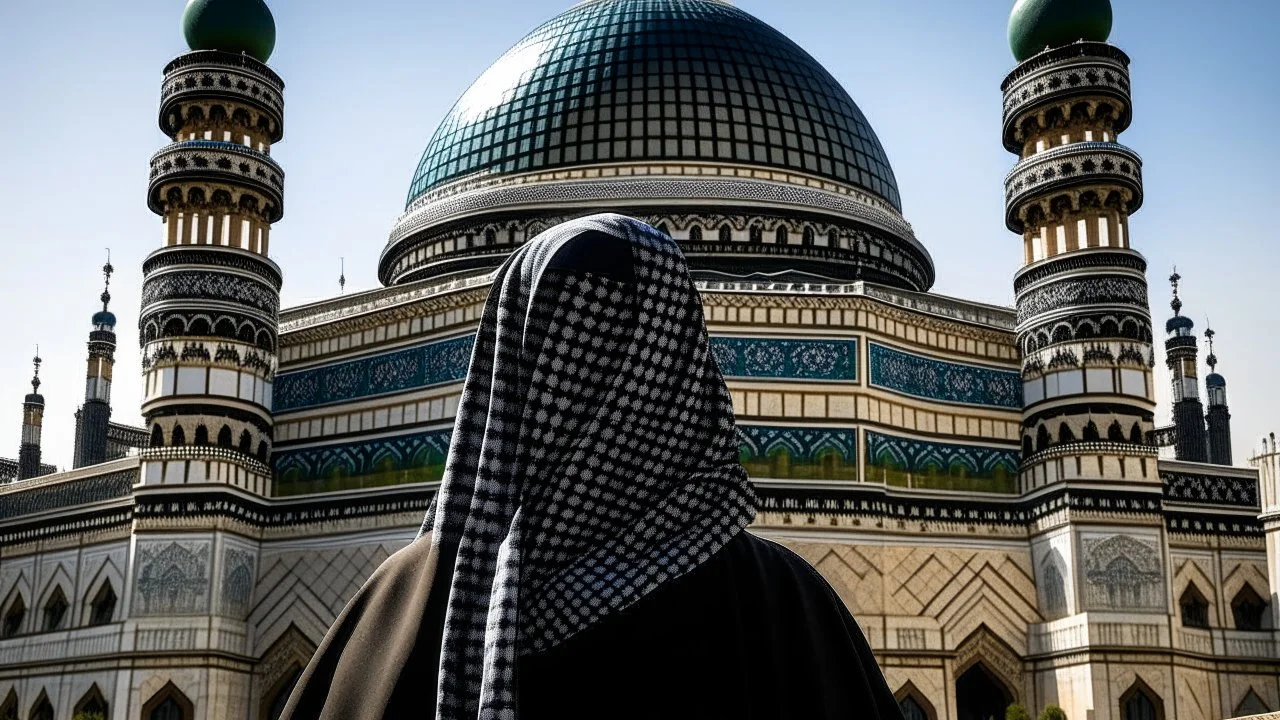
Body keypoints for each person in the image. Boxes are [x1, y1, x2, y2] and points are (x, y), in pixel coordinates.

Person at [280, 214, 903, 720]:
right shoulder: (782, 605)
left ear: (503, 367)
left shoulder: (405, 603)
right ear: (680, 364)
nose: (579, 391)